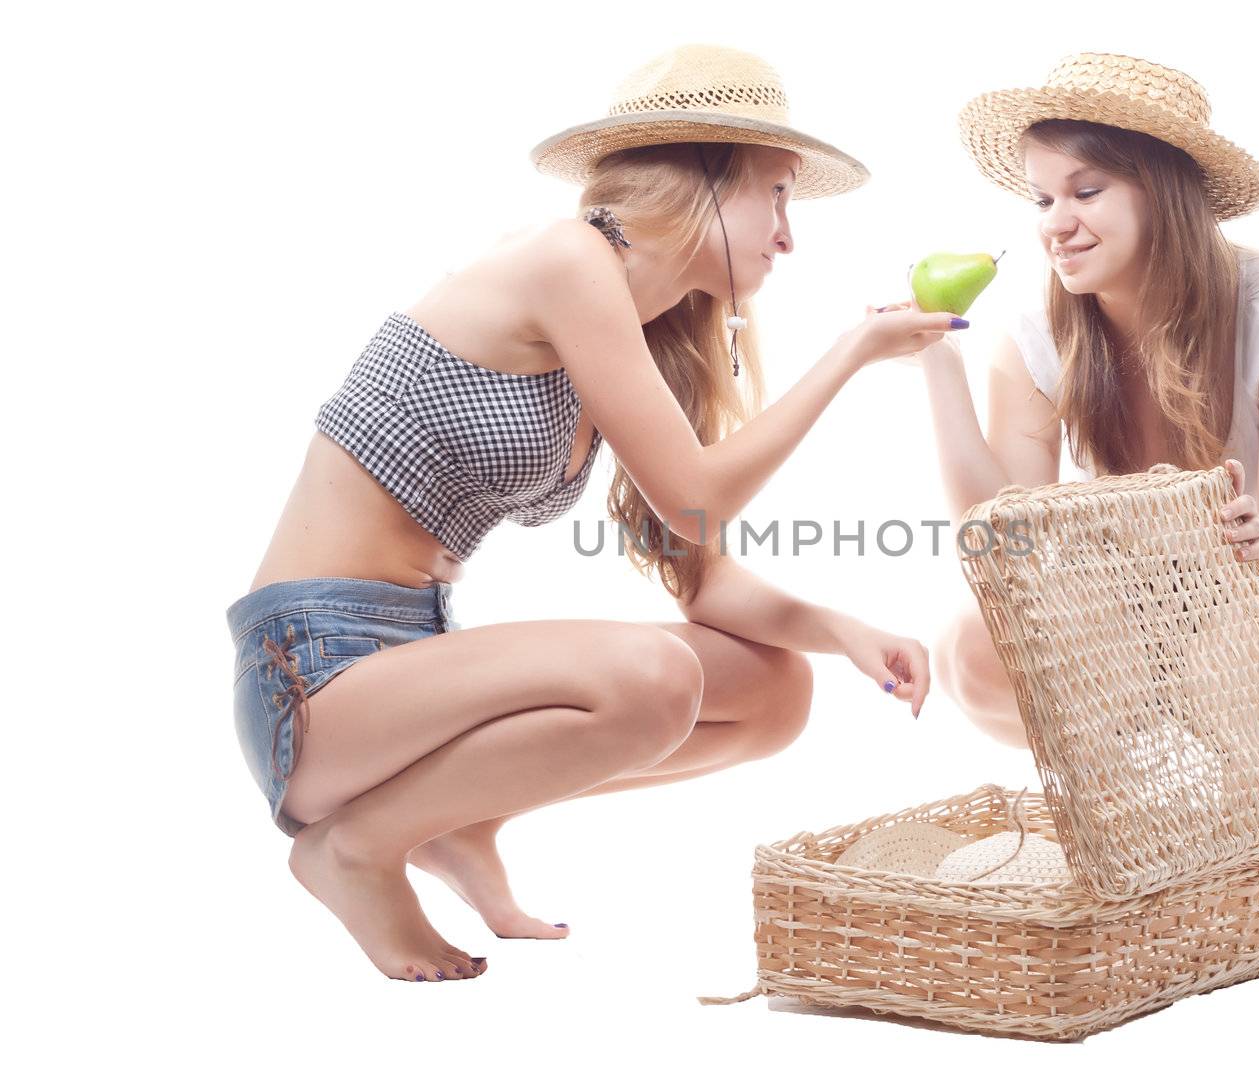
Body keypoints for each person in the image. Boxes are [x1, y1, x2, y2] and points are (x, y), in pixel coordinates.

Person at [223, 43, 963, 983]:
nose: (788, 235)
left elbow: (698, 569)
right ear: (700, 178)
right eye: (775, 194)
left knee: (775, 694)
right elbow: (698, 503)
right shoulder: (567, 260)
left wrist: (841, 629)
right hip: (313, 675)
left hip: (409, 670)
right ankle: (357, 845)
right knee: (652, 676)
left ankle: (458, 818)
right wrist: (852, 352)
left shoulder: (644, 328)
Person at [905, 52, 1259, 754]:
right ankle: (1129, 796)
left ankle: (1242, 803)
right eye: (1043, 199)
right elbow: (1002, 544)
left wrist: (1250, 558)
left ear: (1161, 192)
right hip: (1111, 620)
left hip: (1243, 607)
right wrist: (937, 361)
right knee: (967, 649)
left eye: (1086, 191)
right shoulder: (1040, 332)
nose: (1054, 225)